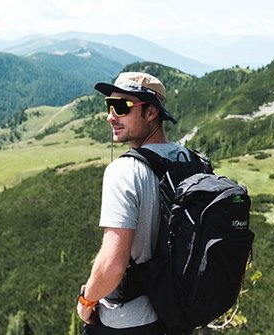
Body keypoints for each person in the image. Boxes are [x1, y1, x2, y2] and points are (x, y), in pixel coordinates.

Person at [76, 72, 188, 334]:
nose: (110, 116)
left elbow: (112, 264)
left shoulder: (124, 171)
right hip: (175, 311)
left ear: (151, 113)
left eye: (121, 107)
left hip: (128, 319)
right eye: (108, 106)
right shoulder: (192, 160)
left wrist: (86, 301)